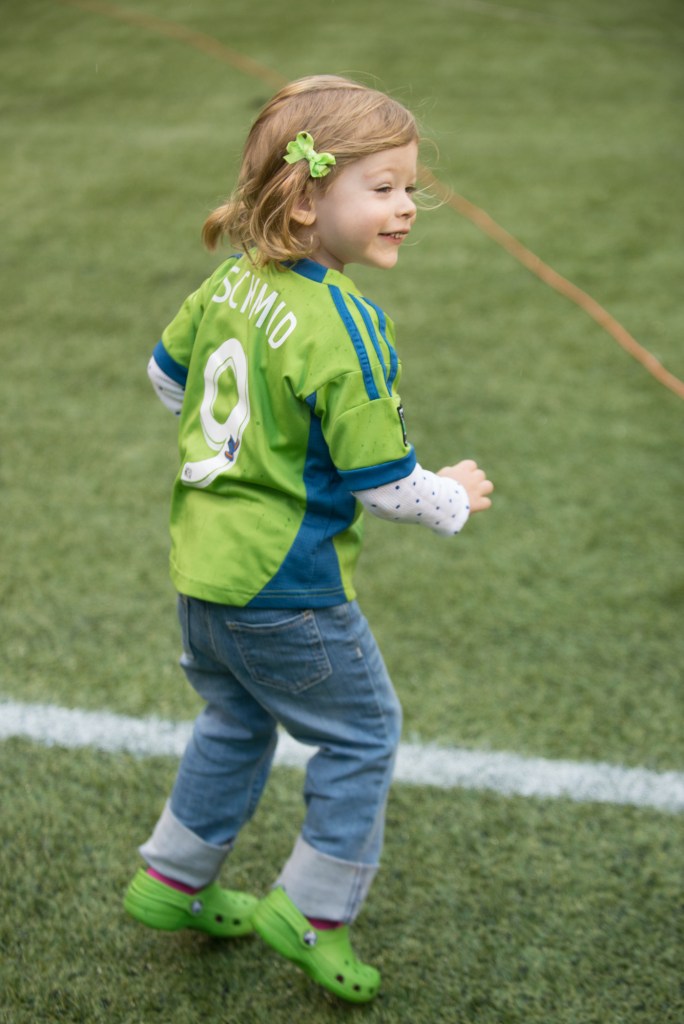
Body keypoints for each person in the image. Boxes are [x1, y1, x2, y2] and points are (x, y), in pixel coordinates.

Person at [124, 74, 493, 1004]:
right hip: (288, 589)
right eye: (382, 188)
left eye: (410, 186)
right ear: (306, 195)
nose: (407, 206)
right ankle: (314, 909)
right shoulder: (347, 326)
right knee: (365, 735)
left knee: (237, 719)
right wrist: (449, 495)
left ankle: (170, 878)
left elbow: (167, 380)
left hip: (203, 573)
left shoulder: (232, 279)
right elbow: (384, 486)